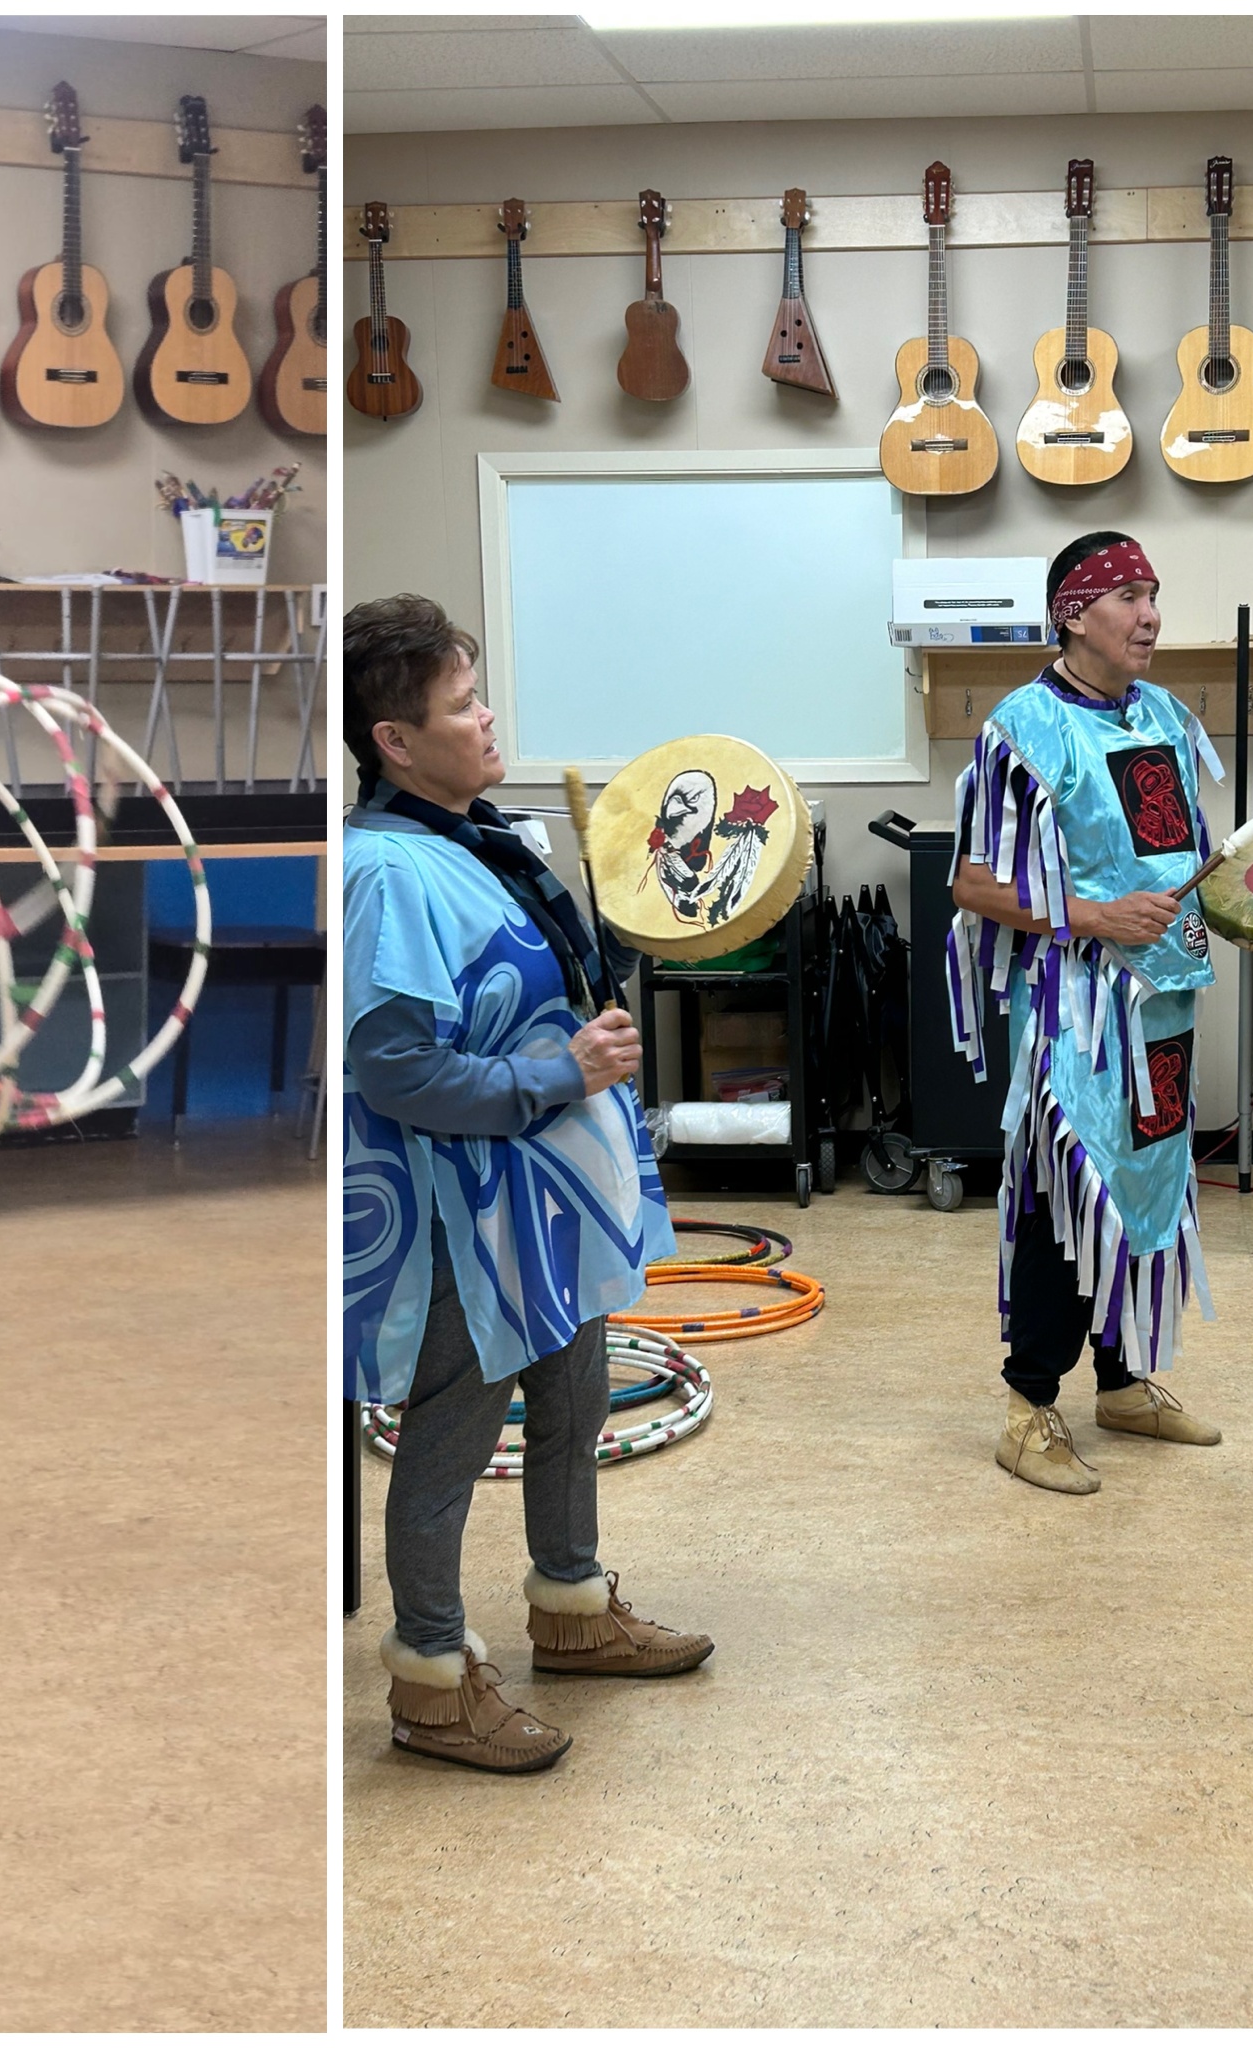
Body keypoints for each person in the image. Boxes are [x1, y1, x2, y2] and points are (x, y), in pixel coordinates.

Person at [343, 594, 711, 1777]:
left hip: (543, 1191)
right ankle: (431, 1679)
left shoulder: (482, 837)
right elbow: (396, 1068)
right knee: (450, 1435)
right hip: (461, 1209)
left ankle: (570, 1604)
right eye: (459, 705)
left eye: (478, 690)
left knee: (572, 1397)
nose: (486, 716)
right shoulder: (390, 872)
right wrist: (559, 1069)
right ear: (393, 740)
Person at [948, 531, 1224, 1496]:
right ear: (1073, 613)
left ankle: (1119, 1380)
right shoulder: (1022, 730)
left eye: (1155, 595)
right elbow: (972, 883)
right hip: (1075, 1008)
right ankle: (1028, 1408)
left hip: (1164, 1001)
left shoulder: (1163, 715)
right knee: (1067, 1183)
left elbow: (1177, 856)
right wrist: (1092, 916)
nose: (1150, 615)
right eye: (1129, 598)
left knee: (1148, 1175)